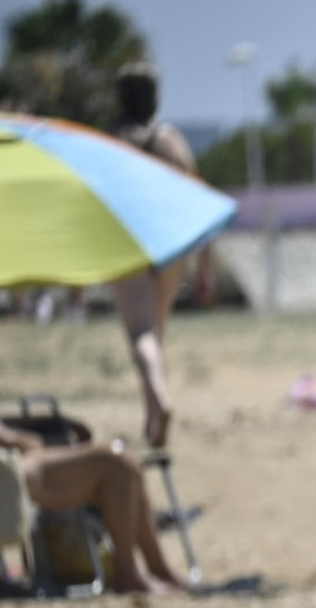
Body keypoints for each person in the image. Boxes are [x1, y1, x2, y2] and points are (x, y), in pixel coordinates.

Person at [0, 305, 192, 595]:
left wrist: (51, 424)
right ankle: (130, 573)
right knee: (118, 463)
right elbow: (3, 436)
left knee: (124, 461)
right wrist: (34, 437)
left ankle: (157, 570)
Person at [110, 63, 204, 449]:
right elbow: (200, 202)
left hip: (131, 245)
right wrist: (206, 267)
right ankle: (152, 420)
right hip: (171, 247)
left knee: (141, 335)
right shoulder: (173, 142)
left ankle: (158, 403)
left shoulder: (114, 142)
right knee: (156, 332)